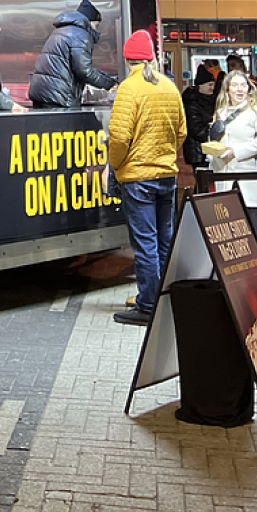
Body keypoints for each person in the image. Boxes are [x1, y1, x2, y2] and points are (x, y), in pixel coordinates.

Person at [108, 29, 187, 327]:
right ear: (151, 57)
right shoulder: (168, 86)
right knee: (165, 240)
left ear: (128, 59)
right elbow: (181, 132)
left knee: (145, 243)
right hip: (167, 175)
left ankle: (147, 305)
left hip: (138, 176)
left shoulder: (129, 89)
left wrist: (116, 165)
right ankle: (166, 299)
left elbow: (118, 136)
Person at [208, 70, 257, 252]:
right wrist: (213, 154)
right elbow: (214, 140)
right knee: (228, 228)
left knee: (253, 227)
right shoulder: (221, 112)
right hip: (224, 175)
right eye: (235, 85)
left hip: (247, 173)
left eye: (243, 85)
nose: (239, 89)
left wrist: (237, 152)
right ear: (227, 89)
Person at [27, 0, 117, 109]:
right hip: (58, 97)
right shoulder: (81, 34)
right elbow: (84, 71)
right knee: (62, 127)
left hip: (43, 93)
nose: (95, 30)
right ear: (88, 22)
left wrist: (109, 79)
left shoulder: (62, 30)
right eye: (96, 25)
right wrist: (110, 84)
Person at [182, 65, 218, 170]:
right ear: (200, 86)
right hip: (198, 151)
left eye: (213, 85)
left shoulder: (212, 99)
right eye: (209, 85)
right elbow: (196, 129)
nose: (212, 88)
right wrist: (215, 134)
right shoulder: (191, 103)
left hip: (208, 148)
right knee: (203, 181)